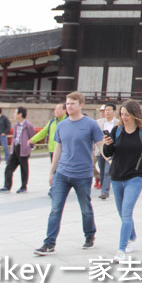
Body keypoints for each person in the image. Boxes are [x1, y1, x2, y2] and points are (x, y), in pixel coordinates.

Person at [35, 92, 103, 255]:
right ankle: (49, 243)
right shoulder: (61, 125)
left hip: (83, 174)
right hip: (63, 173)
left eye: (72, 103)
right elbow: (58, 149)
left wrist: (110, 159)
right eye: (67, 103)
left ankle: (89, 236)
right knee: (55, 209)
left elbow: (101, 145)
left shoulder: (91, 124)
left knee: (85, 208)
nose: (69, 106)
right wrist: (52, 172)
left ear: (81, 105)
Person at [102, 100, 142, 263]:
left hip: (135, 176)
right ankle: (133, 236)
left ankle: (121, 249)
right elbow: (109, 152)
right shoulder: (117, 130)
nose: (124, 117)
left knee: (127, 212)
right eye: (121, 114)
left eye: (127, 115)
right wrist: (107, 145)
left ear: (135, 114)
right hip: (117, 175)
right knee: (122, 213)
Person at [0, 106, 36, 193]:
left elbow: (32, 137)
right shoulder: (16, 125)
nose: (14, 114)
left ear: (20, 114)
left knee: (24, 169)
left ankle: (23, 187)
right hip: (16, 148)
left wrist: (30, 147)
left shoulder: (28, 125)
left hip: (23, 149)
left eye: (15, 113)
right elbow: (15, 137)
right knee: (9, 168)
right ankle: (7, 186)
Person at [96, 103, 119, 200]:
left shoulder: (118, 123)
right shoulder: (98, 122)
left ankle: (105, 191)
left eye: (109, 110)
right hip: (100, 150)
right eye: (106, 110)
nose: (107, 112)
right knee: (102, 171)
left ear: (114, 111)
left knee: (107, 171)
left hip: (111, 151)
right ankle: (103, 188)